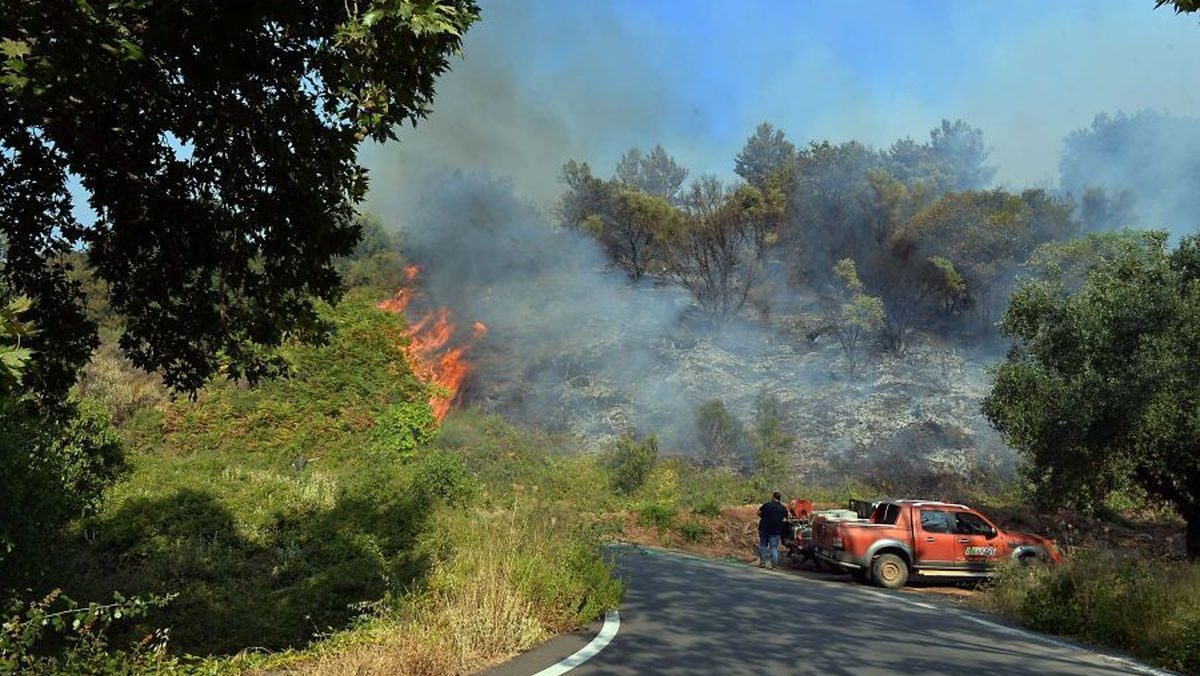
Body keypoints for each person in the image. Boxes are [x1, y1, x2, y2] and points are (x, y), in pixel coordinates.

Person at [757, 491, 788, 569]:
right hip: (775, 531)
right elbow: (786, 518)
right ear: (779, 498)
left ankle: (762, 563)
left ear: (773, 497)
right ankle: (774, 565)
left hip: (763, 529)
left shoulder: (766, 505)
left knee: (763, 545)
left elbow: (758, 512)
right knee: (773, 548)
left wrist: (763, 516)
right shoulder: (783, 508)